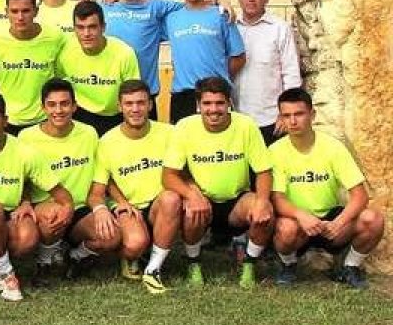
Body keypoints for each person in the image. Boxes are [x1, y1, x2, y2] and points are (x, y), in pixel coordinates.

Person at [0, 91, 68, 302]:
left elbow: (61, 194)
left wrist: (65, 210)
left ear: (5, 121)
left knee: (27, 239)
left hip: (10, 215)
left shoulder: (24, 151)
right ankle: (7, 274)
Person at [162, 76, 273, 288]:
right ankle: (194, 263)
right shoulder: (184, 127)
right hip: (204, 200)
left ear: (229, 103)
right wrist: (192, 194)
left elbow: (264, 171)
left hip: (237, 199)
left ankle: (249, 264)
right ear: (198, 105)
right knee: (191, 211)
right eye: (207, 103)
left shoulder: (246, 125)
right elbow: (168, 175)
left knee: (265, 211)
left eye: (220, 103)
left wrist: (262, 201)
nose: (214, 109)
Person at [270, 87, 385, 289]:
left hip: (329, 223)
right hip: (298, 223)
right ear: (281, 118)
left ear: (312, 114)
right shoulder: (275, 151)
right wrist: (301, 215)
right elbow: (277, 198)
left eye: (299, 114)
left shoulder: (333, 147)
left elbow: (360, 195)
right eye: (287, 116)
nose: (293, 121)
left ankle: (349, 267)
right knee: (285, 228)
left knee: (373, 219)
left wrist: (339, 222)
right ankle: (288, 265)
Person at [88, 79, 183, 294]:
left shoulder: (170, 133)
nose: (135, 109)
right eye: (129, 104)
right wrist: (116, 203)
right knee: (135, 243)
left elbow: (183, 172)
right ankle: (130, 255)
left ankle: (153, 269)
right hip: (129, 207)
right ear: (120, 107)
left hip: (160, 206)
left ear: (150, 105)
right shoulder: (107, 141)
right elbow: (99, 187)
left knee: (171, 198)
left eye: (141, 103)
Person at [18, 80, 96, 281]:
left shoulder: (89, 133)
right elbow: (22, 179)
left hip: (81, 208)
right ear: (43, 107)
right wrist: (26, 202)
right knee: (53, 213)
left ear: (75, 106)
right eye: (52, 104)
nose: (58, 110)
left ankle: (76, 256)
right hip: (47, 206)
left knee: (110, 236)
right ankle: (45, 261)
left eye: (64, 103)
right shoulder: (26, 137)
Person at [99, 0, 183, 118]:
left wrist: (217, 1)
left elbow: (189, 7)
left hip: (144, 96)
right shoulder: (104, 7)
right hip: (111, 95)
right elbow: (78, 7)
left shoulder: (154, 6)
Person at [164, 0, 246, 123]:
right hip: (183, 95)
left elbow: (239, 57)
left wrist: (218, 77)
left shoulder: (221, 15)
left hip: (216, 94)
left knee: (219, 143)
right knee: (185, 146)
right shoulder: (170, 18)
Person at [0, 0, 66, 134]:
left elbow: (62, 74)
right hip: (7, 121)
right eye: (14, 11)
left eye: (26, 11)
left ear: (36, 11)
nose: (20, 17)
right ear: (6, 12)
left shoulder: (56, 38)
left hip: (43, 120)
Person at [56, 0, 141, 136]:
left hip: (114, 117)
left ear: (103, 27)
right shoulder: (65, 52)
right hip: (79, 116)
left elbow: (132, 93)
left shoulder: (124, 53)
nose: (86, 33)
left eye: (92, 27)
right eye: (80, 27)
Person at [234, 0, 302, 144]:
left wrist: (286, 114)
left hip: (272, 121)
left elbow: (291, 74)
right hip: (236, 120)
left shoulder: (280, 29)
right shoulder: (230, 27)